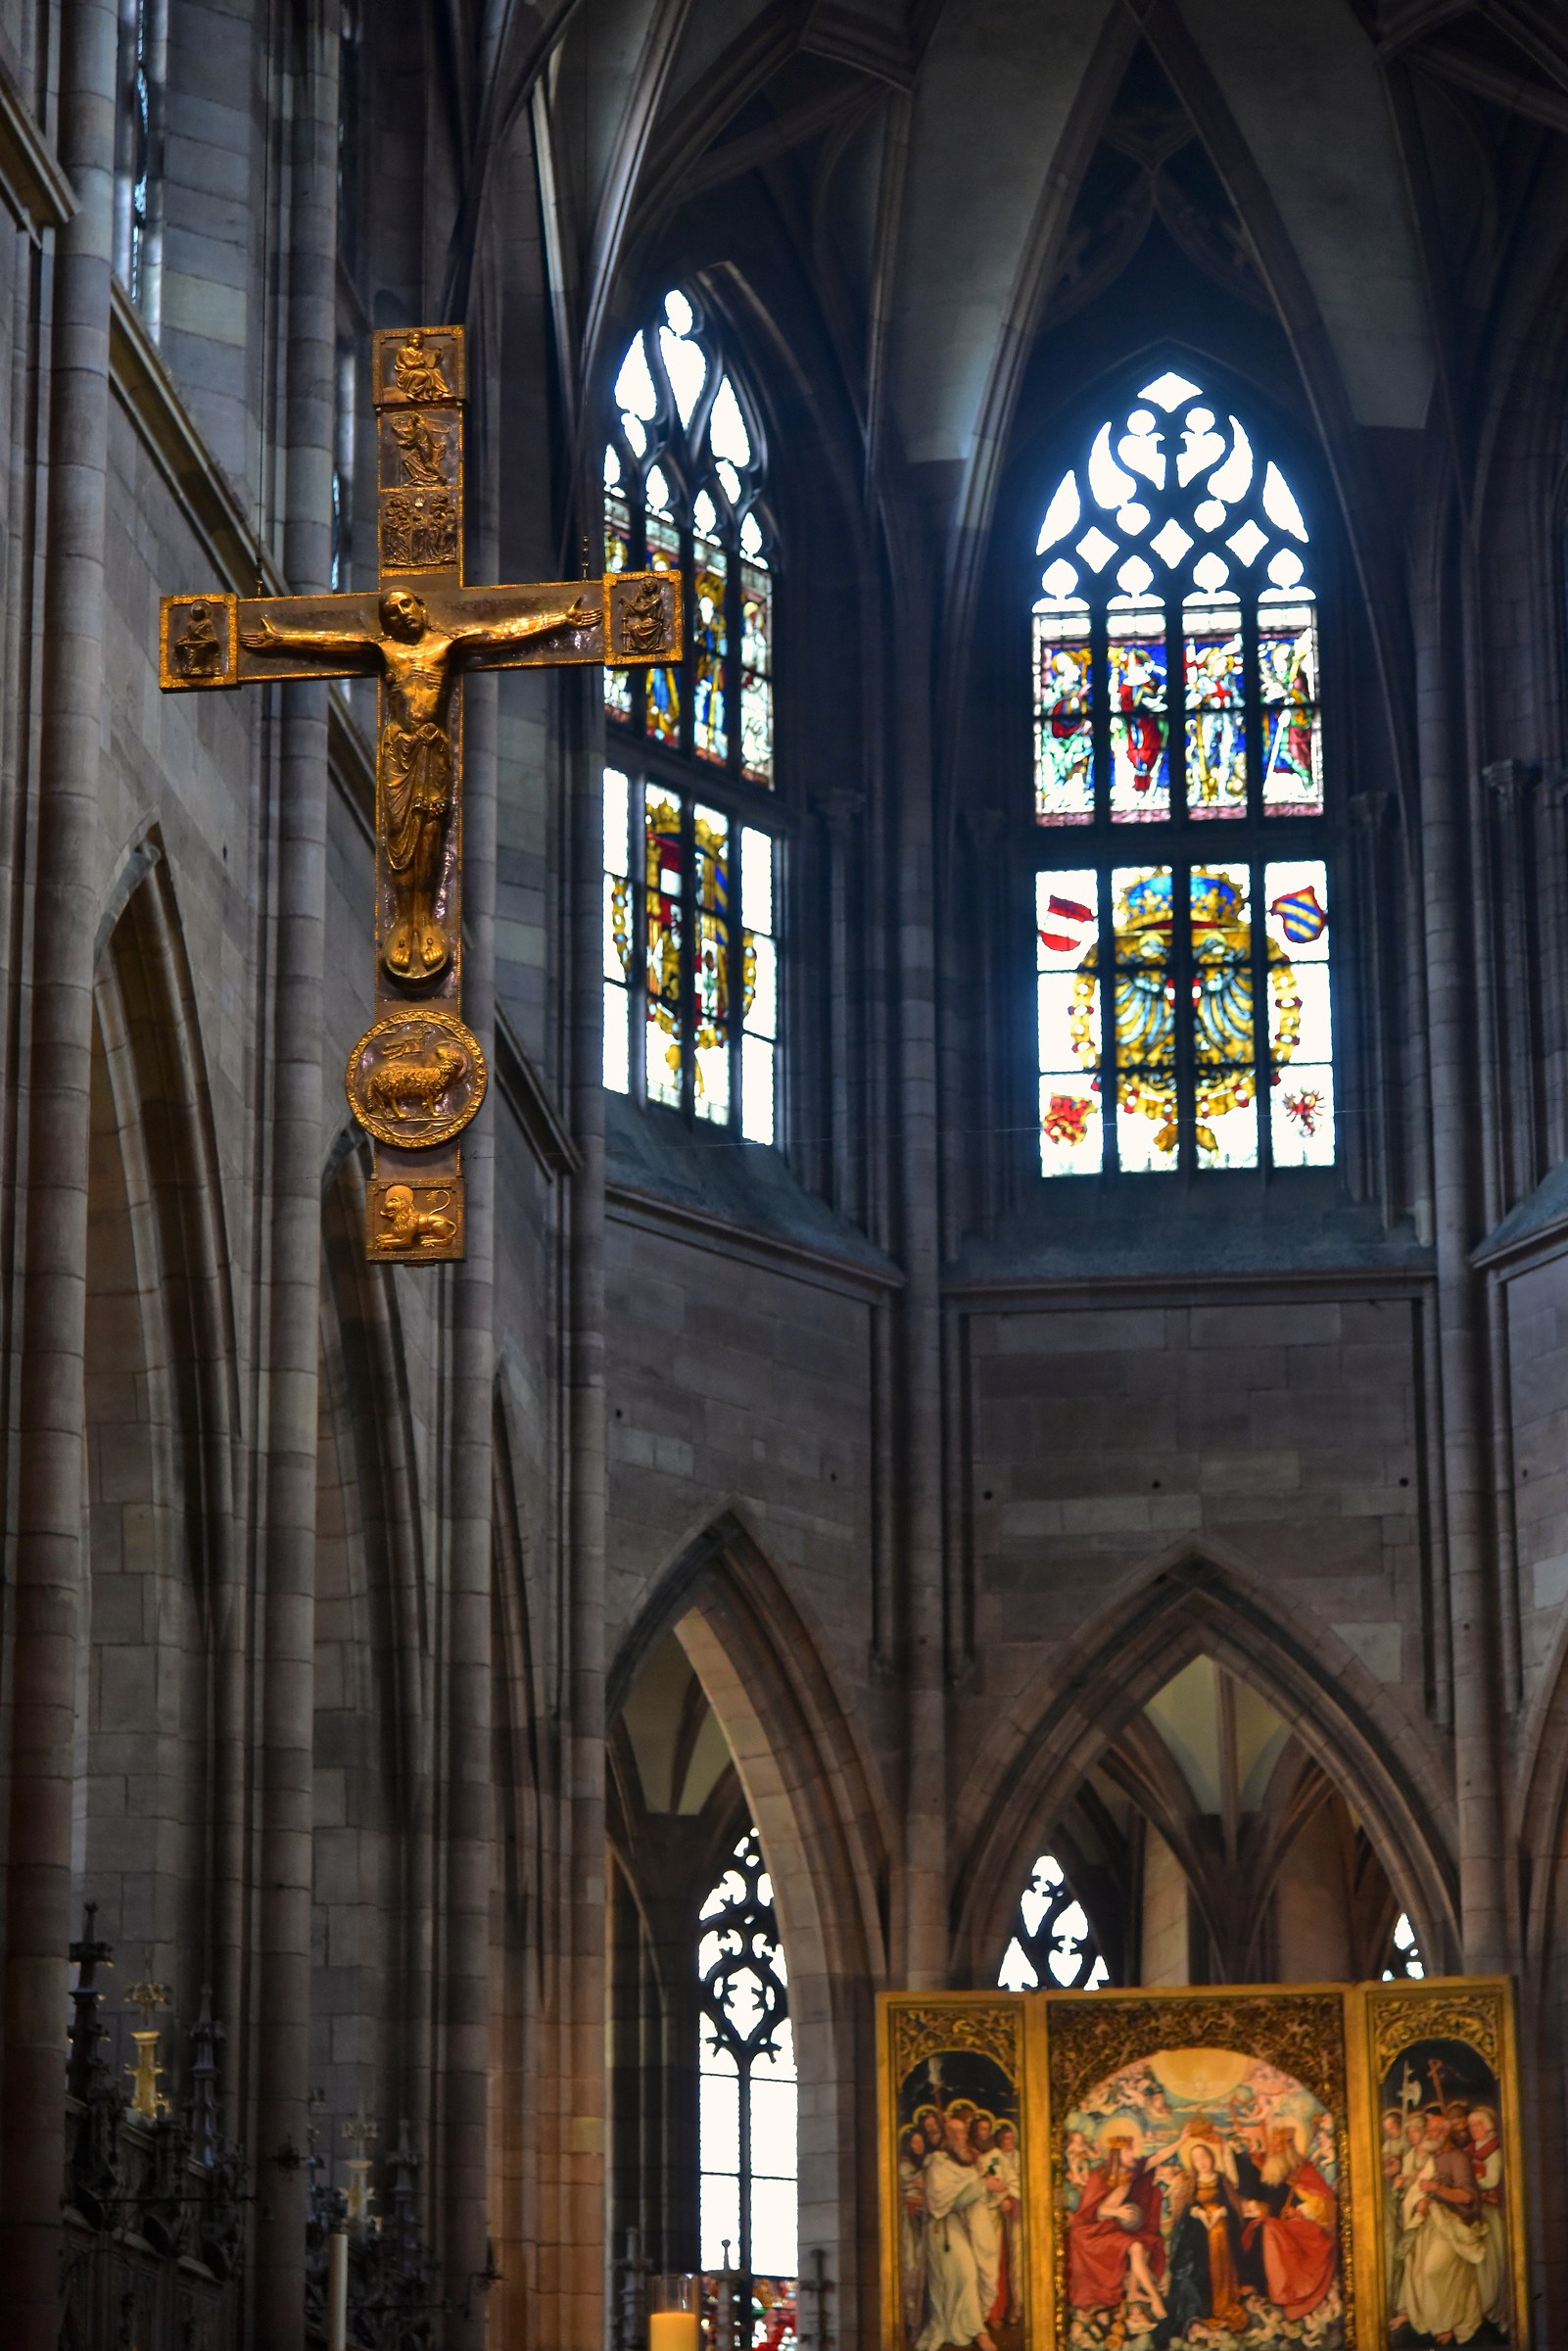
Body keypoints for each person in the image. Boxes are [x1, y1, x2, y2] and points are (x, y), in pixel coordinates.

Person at [242, 584, 601, 982]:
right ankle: (404, 922)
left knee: (430, 834)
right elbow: (332, 642)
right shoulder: (385, 651)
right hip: (399, 753)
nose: (401, 615)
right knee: (400, 841)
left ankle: (425, 921)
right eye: (392, 613)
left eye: (405, 606)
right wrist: (279, 639)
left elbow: (503, 632)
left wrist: (561, 621)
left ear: (422, 605)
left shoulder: (446, 647)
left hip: (432, 752)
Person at [1066, 2125, 1167, 2332]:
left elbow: (1156, 2158)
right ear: (1117, 2153)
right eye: (1128, 2150)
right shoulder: (1100, 2175)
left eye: (1132, 2150)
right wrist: (1119, 2212)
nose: (1133, 2154)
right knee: (1136, 2246)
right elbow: (1098, 2211)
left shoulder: (1129, 2174)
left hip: (1110, 2229)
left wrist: (1182, 2140)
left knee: (1140, 2245)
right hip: (1091, 2232)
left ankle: (1133, 2294)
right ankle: (1154, 2298)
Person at [1399, 2106, 1486, 2343]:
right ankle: (1433, 2319)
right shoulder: (1433, 2157)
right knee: (1417, 2269)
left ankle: (1448, 2322)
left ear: (1444, 2133)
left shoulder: (1457, 2158)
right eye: (1427, 2129)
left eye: (1432, 2130)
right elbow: (1425, 2188)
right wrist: (1423, 2201)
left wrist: (1436, 2190)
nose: (1427, 2133)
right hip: (1434, 2223)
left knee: (1432, 2270)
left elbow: (1467, 2197)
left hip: (1454, 2225)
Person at [1153, 2125, 1245, 2344]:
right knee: (1192, 2264)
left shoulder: (1223, 2180)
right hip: (1196, 2235)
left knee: (1220, 2237)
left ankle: (1222, 2304)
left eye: (1205, 2156)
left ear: (1211, 2157)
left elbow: (1234, 2207)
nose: (1202, 2162)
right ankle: (1200, 2308)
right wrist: (1197, 2212)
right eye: (1197, 2159)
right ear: (1192, 2163)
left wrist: (1222, 2212)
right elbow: (1183, 2210)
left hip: (1221, 2234)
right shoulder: (1190, 2182)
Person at [914, 2110, 995, 2351]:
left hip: (957, 2226)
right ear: (946, 2136)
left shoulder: (961, 2161)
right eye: (954, 2132)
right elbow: (943, 2201)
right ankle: (976, 2331)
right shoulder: (938, 2162)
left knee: (963, 2277)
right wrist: (982, 2186)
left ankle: (961, 2328)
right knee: (963, 2275)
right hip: (942, 2229)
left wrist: (983, 2185)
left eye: (962, 2132)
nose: (960, 2137)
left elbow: (968, 2189)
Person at [1242, 2122, 1337, 2323]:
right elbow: (1264, 2183)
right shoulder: (1271, 2165)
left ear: (1289, 2147)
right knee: (1256, 2229)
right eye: (1274, 2145)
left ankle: (1279, 2290)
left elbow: (1321, 2201)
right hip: (1274, 2219)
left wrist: (1297, 2210)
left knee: (1268, 2231)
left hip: (1298, 2222)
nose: (1275, 2150)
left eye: (1279, 2146)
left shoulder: (1303, 2169)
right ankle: (1259, 2287)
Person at [1467, 2105, 1508, 2334]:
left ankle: (1496, 2310)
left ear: (1487, 2126)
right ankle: (1481, 2310)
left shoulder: (1495, 2150)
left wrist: (1469, 2182)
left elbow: (1491, 2179)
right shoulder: (1470, 2149)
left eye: (1477, 2125)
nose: (1474, 2129)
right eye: (1471, 2125)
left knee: (1493, 2261)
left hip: (1490, 2212)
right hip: (1474, 2211)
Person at [992, 2123, 1023, 2327]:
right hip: (1008, 2211)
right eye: (1005, 2139)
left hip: (1024, 2209)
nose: (1009, 2142)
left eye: (1011, 2138)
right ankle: (1015, 2305)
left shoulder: (1021, 2156)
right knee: (1014, 2259)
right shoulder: (996, 2158)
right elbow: (1000, 2183)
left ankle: (1024, 2304)